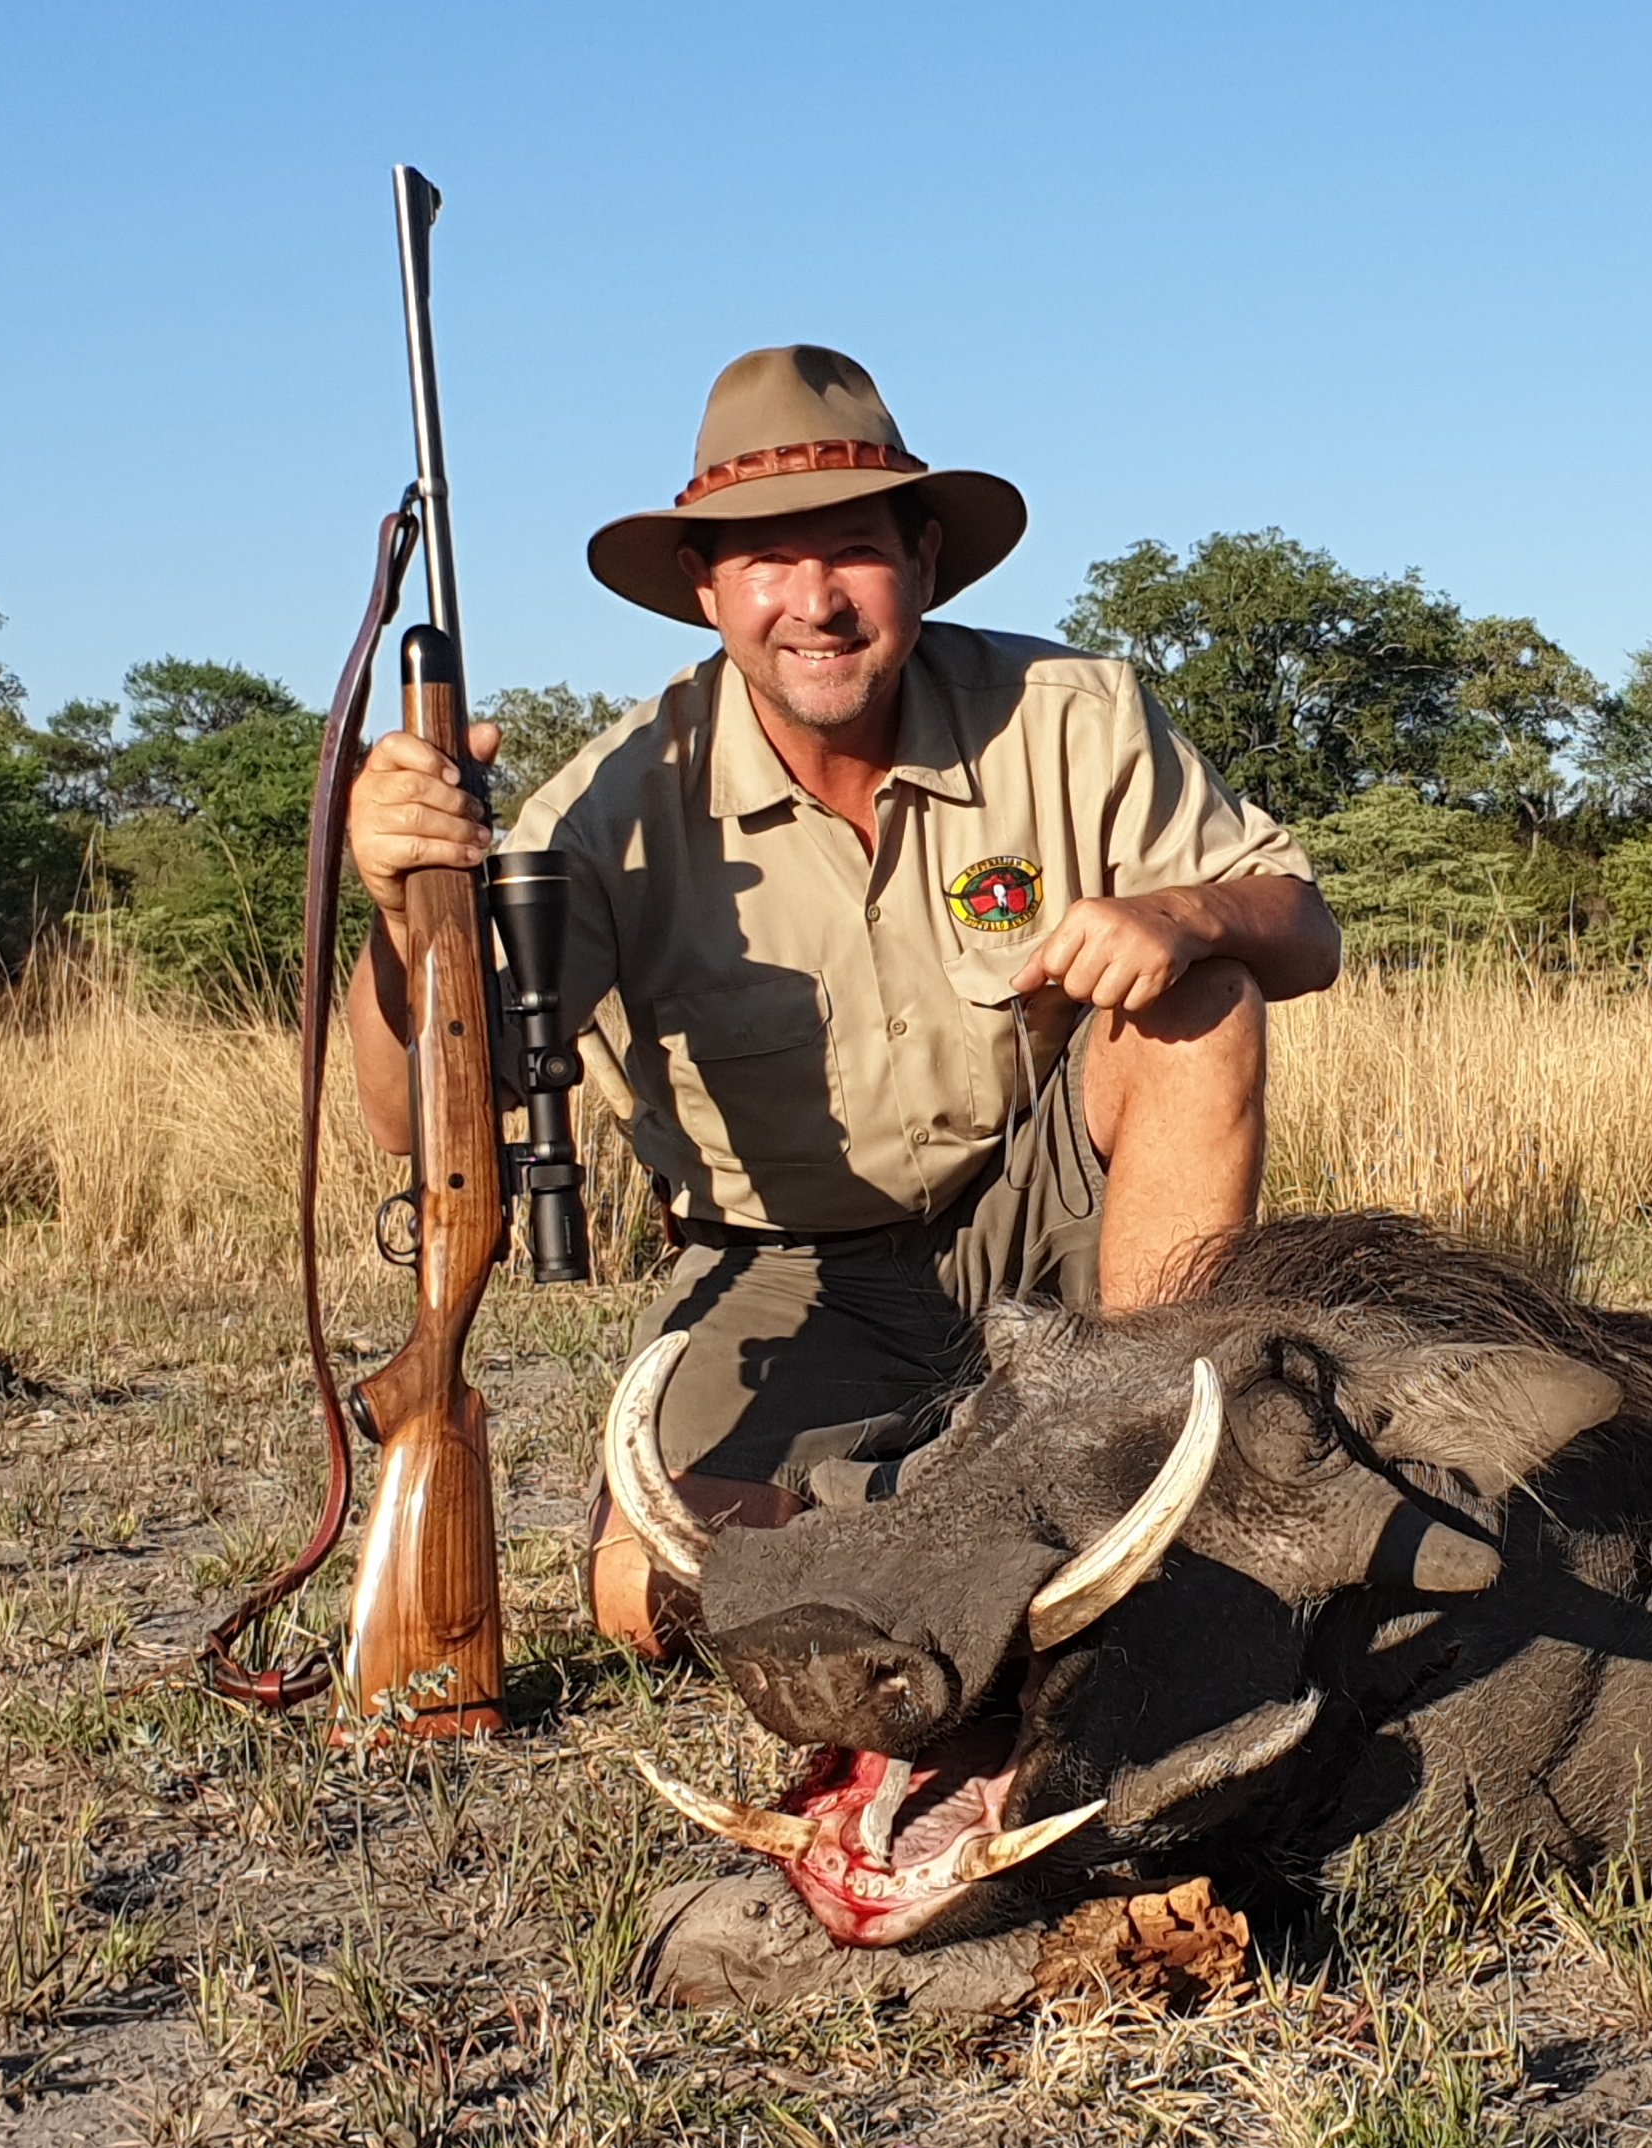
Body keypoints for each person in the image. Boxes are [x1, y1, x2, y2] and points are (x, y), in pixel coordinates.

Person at [339, 344, 1340, 1659]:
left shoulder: (1072, 713)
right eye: (763, 557)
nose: (813, 601)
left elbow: (1301, 927)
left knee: (1207, 1000)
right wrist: (402, 909)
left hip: (1033, 1215)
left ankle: (1139, 1455)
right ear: (706, 590)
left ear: (924, 562)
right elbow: (411, 1117)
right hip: (784, 1270)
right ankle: (966, 1496)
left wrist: (1185, 913)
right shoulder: (609, 800)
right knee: (644, 1595)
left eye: (852, 549)